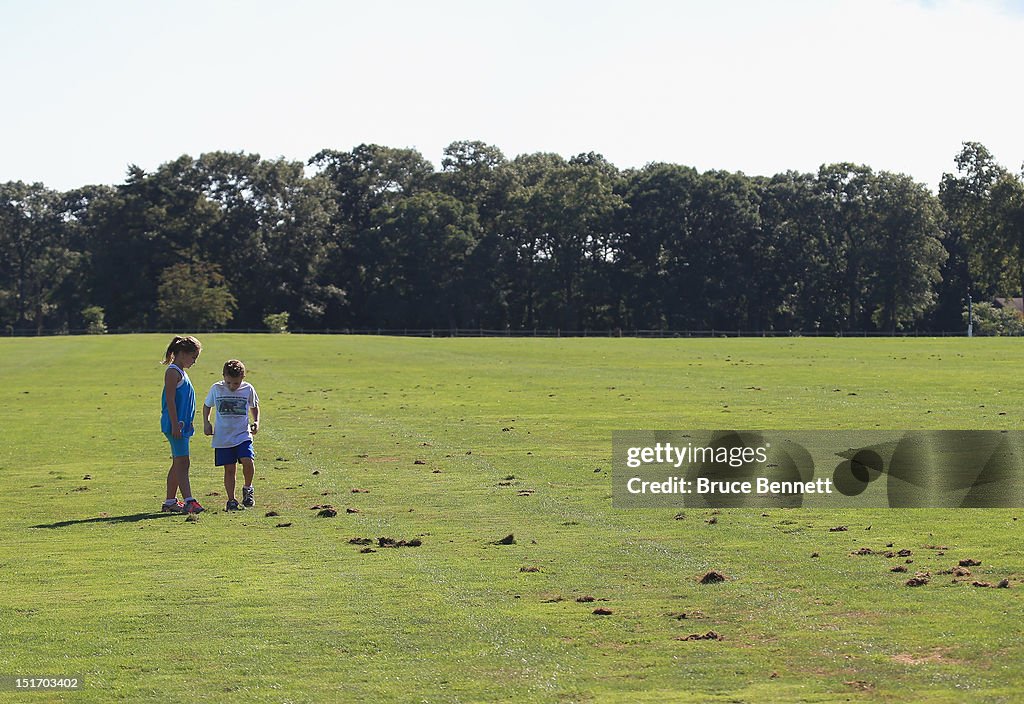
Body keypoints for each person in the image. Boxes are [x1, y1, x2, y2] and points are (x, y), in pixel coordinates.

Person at [203, 359, 260, 510]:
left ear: (243, 378)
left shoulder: (248, 389)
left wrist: (257, 421)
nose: (232, 386)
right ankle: (231, 500)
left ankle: (248, 490)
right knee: (229, 469)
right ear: (223, 376)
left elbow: (254, 406)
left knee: (248, 460)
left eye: (236, 383)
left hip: (242, 434)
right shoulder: (216, 388)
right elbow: (207, 405)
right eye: (228, 382)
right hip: (223, 437)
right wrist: (206, 422)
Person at [160, 335, 205, 514]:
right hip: (175, 425)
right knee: (183, 462)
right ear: (183, 354)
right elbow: (170, 400)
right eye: (193, 357)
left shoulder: (181, 372)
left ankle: (170, 502)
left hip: (182, 425)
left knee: (178, 463)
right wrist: (175, 424)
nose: (194, 361)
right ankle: (189, 501)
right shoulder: (173, 372)